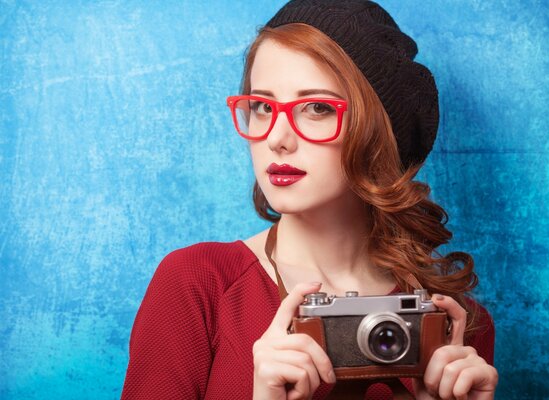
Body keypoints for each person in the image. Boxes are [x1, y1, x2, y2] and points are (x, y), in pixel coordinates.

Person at [121, 1, 498, 399]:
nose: (277, 137)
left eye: (317, 107)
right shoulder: (198, 282)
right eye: (263, 106)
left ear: (378, 131)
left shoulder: (455, 324)